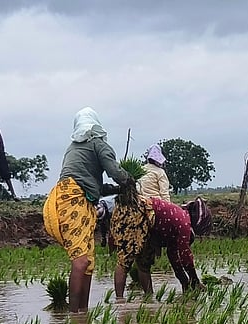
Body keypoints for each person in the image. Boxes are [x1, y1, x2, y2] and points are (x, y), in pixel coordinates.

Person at [42, 107, 136, 312]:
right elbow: (114, 170)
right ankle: (74, 315)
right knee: (81, 260)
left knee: (88, 263)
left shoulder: (73, 148)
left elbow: (93, 185)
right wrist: (129, 180)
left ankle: (82, 314)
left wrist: (116, 189)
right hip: (74, 199)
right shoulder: (97, 144)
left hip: (71, 197)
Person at [110, 186, 203, 301]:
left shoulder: (177, 224)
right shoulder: (184, 224)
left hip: (146, 220)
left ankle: (148, 299)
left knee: (143, 263)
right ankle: (119, 301)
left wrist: (184, 281)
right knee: (125, 260)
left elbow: (173, 255)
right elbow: (185, 256)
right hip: (138, 213)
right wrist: (195, 280)